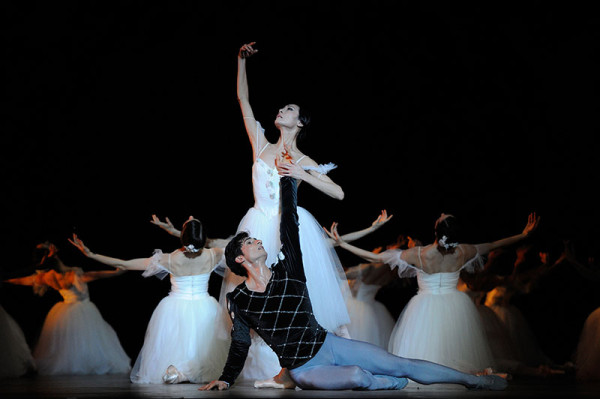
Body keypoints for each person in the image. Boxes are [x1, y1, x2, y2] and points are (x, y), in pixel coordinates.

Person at [199, 175, 507, 391]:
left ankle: (475, 380)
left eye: (255, 238)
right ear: (240, 259)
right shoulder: (239, 298)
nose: (257, 241)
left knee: (400, 363)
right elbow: (240, 342)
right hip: (305, 369)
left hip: (329, 345)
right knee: (360, 376)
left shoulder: (288, 269)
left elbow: (289, 226)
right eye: (250, 242)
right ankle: (384, 384)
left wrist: (287, 180)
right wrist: (226, 378)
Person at [326, 213, 540, 376]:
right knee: (453, 347)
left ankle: (429, 376)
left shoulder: (420, 254)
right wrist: (522, 235)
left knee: (424, 350)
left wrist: (343, 243)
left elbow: (378, 258)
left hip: (425, 306)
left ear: (436, 232)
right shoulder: (464, 251)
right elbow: (494, 244)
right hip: (455, 305)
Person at [69, 216, 229, 384]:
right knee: (200, 343)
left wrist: (92, 255)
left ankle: (179, 372)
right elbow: (222, 245)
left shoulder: (168, 259)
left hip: (175, 306)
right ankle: (191, 371)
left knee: (176, 342)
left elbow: (125, 264)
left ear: (183, 236)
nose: (189, 216)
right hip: (204, 306)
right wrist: (176, 232)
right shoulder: (214, 255)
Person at [4, 242, 131, 375]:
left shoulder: (47, 277)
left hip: (64, 311)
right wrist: (117, 271)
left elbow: (23, 280)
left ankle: (72, 364)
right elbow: (98, 274)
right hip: (83, 309)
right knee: (86, 340)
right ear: (56, 259)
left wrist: (6, 280)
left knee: (69, 342)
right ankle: (84, 364)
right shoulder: (74, 275)